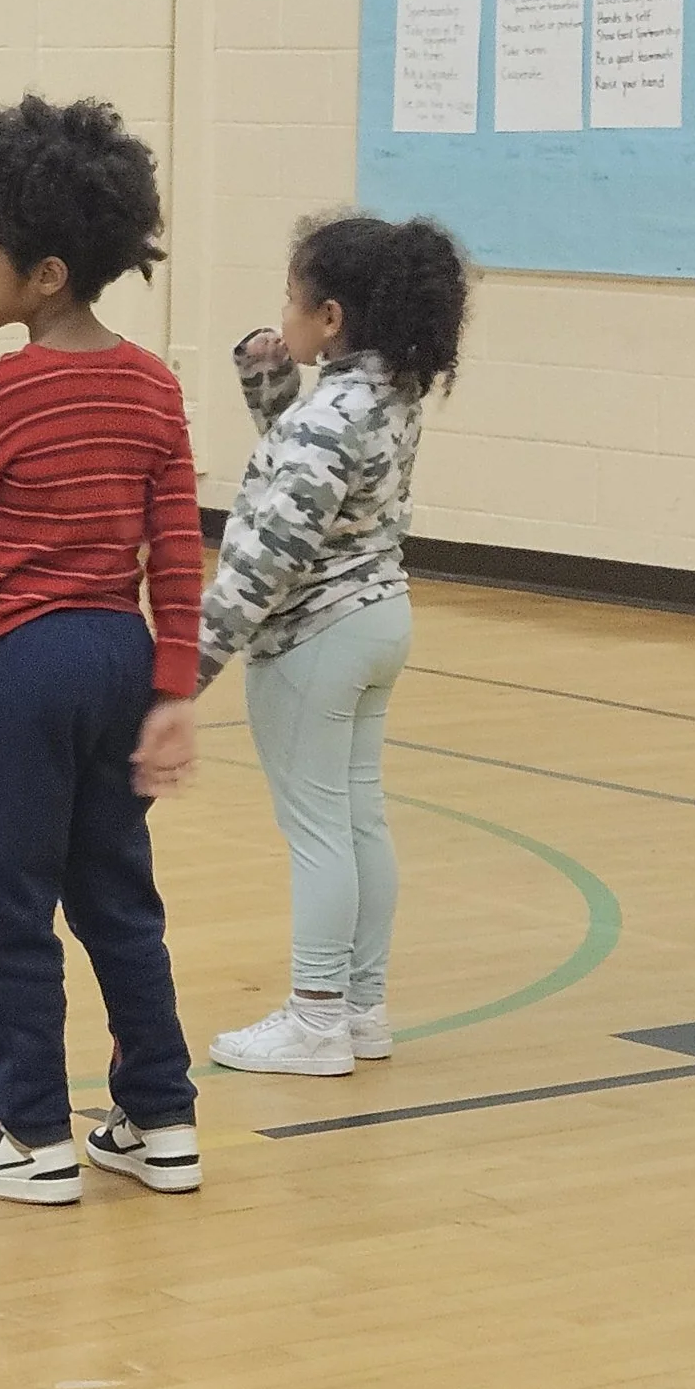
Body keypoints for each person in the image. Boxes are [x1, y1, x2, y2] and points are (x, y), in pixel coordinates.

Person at [0, 94, 203, 1208]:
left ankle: (30, 1132)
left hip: (20, 665)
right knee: (119, 899)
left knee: (8, 899)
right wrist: (169, 685)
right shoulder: (154, 387)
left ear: (43, 274)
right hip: (121, 659)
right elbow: (175, 552)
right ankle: (159, 1118)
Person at [197, 212, 470, 1080]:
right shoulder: (387, 389)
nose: (281, 310)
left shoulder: (335, 413)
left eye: (291, 298)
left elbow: (274, 548)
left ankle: (315, 1018)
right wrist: (271, 388)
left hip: (316, 635)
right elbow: (315, 472)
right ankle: (360, 1008)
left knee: (317, 831)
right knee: (357, 820)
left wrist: (190, 661)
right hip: (379, 618)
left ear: (333, 316)